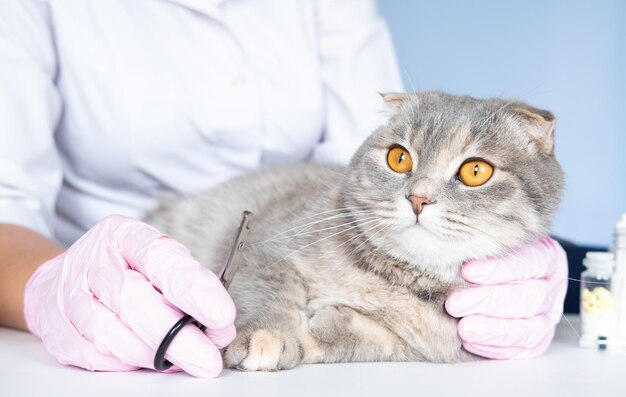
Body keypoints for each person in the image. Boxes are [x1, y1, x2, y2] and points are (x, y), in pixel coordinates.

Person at [0, 0, 567, 378]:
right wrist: (52, 285)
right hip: (103, 270)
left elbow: (374, 143)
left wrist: (525, 262)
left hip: (339, 229)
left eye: (471, 172)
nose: (422, 191)